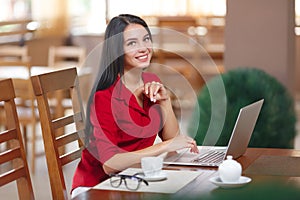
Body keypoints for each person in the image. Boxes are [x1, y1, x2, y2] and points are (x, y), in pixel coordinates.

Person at [71, 14, 198, 197]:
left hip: (132, 179)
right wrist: (164, 147)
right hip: (97, 187)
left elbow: (171, 139)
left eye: (146, 39)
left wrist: (165, 101)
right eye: (132, 43)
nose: (143, 48)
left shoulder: (151, 82)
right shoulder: (104, 97)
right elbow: (110, 164)